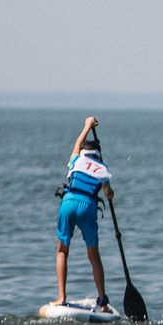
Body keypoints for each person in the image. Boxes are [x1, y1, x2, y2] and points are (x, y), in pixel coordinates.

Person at [54, 117, 115, 310]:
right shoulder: (103, 170)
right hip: (88, 206)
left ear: (84, 152)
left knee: (63, 250)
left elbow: (77, 144)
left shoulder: (76, 159)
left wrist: (87, 126)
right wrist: (109, 192)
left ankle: (62, 296)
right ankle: (102, 301)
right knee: (94, 256)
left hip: (68, 202)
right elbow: (108, 193)